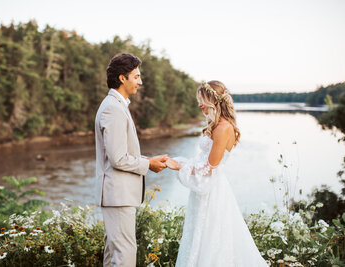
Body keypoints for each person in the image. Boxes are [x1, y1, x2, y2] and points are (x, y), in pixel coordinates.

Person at [166, 81, 269, 267]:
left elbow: (209, 167)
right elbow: (202, 162)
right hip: (205, 189)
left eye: (202, 100)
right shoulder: (216, 125)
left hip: (213, 191)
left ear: (214, 100)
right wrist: (182, 162)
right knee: (198, 234)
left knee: (212, 237)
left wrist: (178, 165)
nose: (199, 104)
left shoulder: (223, 128)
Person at [94, 53, 168, 267]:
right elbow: (118, 159)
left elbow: (120, 154)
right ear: (122, 78)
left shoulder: (116, 105)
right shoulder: (113, 108)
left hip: (118, 195)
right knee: (124, 255)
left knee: (114, 255)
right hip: (118, 195)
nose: (140, 81)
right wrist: (149, 164)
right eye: (136, 76)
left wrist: (150, 160)